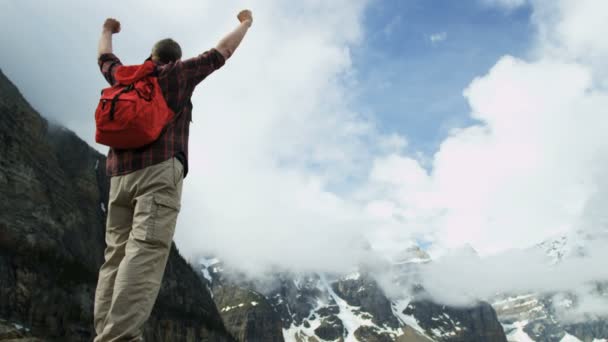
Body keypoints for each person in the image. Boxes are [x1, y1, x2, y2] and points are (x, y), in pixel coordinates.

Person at [93, 10, 253, 341]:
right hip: (158, 171)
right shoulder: (178, 75)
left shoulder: (126, 77)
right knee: (145, 252)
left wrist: (107, 29)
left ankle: (104, 333)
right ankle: (118, 338)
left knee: (115, 256)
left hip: (119, 178)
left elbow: (104, 58)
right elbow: (222, 51)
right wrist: (245, 23)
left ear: (151, 56)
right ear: (175, 59)